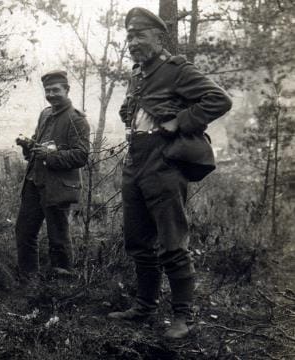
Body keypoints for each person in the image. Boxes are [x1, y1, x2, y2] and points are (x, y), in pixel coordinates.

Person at [107, 8, 232, 339]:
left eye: (140, 35)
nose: (133, 42)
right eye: (130, 36)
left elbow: (219, 100)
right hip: (136, 159)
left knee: (172, 241)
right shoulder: (138, 74)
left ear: (159, 37)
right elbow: (140, 107)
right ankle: (144, 306)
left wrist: (180, 122)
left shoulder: (177, 69)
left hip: (164, 162)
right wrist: (129, 112)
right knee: (137, 239)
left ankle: (183, 316)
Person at [14, 70, 90, 283]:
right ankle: (28, 279)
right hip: (34, 182)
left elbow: (81, 155)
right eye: (48, 90)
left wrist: (51, 156)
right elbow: (39, 144)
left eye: (56, 90)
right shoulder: (45, 114)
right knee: (24, 232)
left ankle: (62, 285)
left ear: (67, 90)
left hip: (58, 187)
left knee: (58, 238)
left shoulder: (77, 120)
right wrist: (28, 146)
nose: (51, 94)